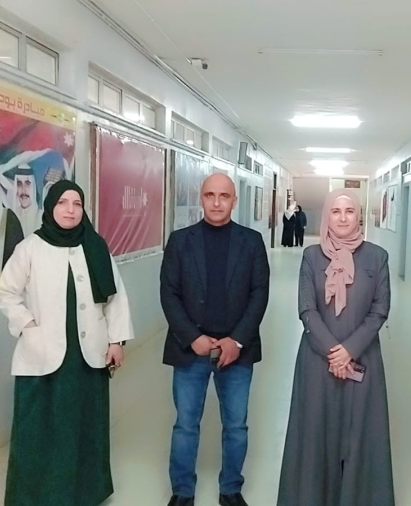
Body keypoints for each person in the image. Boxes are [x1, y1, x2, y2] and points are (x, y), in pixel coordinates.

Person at [0, 180, 134, 506]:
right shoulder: (30, 248)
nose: (70, 210)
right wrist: (27, 325)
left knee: (85, 426)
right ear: (51, 207)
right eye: (62, 203)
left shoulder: (95, 246)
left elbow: (116, 298)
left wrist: (116, 341)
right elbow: (6, 291)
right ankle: (35, 496)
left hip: (87, 357)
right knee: (39, 427)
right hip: (42, 354)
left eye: (77, 204)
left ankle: (85, 494)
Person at [278, 189, 394, 506]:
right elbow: (307, 308)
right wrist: (334, 351)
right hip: (317, 360)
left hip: (363, 357)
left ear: (359, 216)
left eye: (349, 211)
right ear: (327, 216)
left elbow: (380, 310)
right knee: (316, 434)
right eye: (336, 211)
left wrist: (350, 350)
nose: (343, 218)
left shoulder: (377, 257)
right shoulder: (312, 257)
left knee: (361, 435)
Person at [160, 173, 270, 506]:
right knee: (185, 425)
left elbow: (259, 293)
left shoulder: (251, 242)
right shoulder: (180, 241)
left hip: (237, 351)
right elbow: (169, 293)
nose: (217, 202)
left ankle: (230, 489)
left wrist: (236, 340)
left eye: (224, 196)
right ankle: (182, 492)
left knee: (236, 426)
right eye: (210, 195)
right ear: (202, 198)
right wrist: (192, 337)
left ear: (234, 200)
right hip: (190, 350)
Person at [12, 164, 40, 237]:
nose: (23, 190)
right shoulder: (12, 218)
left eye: (27, 184)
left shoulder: (42, 217)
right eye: (19, 184)